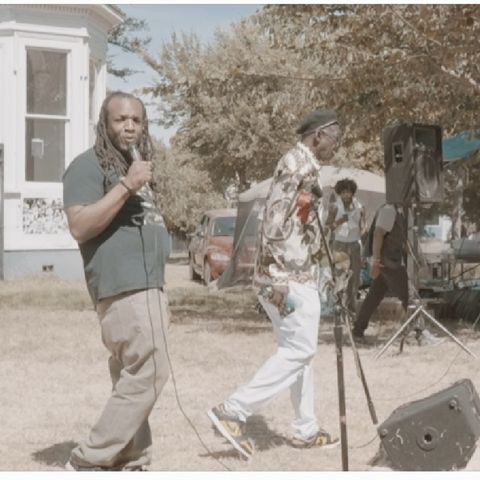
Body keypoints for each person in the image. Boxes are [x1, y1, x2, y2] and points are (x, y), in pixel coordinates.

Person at [208, 109, 341, 459]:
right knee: (300, 351)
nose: (337, 144)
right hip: (285, 276)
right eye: (334, 137)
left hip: (296, 272)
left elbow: (300, 224)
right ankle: (232, 410)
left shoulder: (306, 165)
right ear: (318, 135)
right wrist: (279, 277)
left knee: (299, 354)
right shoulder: (295, 164)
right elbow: (274, 222)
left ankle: (305, 428)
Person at [62, 91, 171, 471]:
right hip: (124, 288)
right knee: (151, 369)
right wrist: (126, 186)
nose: (129, 126)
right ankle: (89, 457)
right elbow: (79, 224)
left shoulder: (135, 165)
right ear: (104, 125)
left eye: (136, 120)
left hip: (147, 285)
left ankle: (131, 455)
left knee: (131, 374)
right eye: (120, 119)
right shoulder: (88, 166)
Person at [352, 203, 438, 345]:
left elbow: (401, 238)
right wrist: (376, 262)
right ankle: (420, 333)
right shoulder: (388, 210)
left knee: (373, 297)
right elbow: (378, 234)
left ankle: (357, 331)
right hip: (388, 263)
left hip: (390, 261)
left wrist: (419, 258)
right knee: (410, 296)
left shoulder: (402, 210)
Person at [325, 178, 365, 320]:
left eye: (349, 192)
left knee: (354, 281)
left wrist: (362, 229)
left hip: (355, 244)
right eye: (343, 192)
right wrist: (339, 221)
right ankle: (339, 311)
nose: (346, 195)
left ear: (353, 192)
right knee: (340, 278)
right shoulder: (335, 207)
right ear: (339, 193)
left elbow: (363, 226)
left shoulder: (359, 206)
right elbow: (327, 226)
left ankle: (352, 312)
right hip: (340, 244)